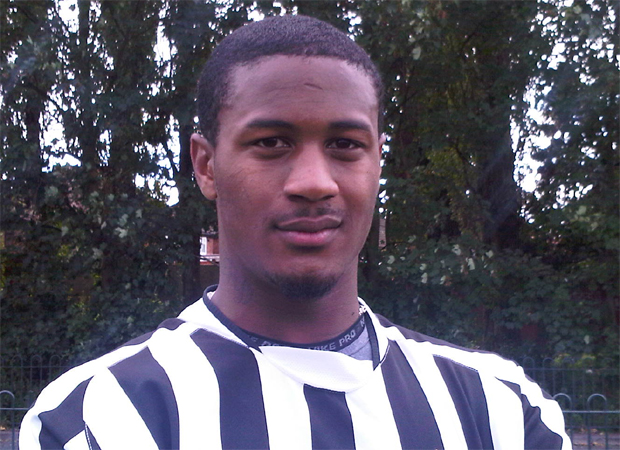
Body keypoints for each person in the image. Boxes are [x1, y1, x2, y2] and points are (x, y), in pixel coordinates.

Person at [20, 15, 570, 450]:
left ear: (378, 161)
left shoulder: (499, 410)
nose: (314, 182)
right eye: (271, 143)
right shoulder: (100, 417)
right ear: (206, 166)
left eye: (345, 145)